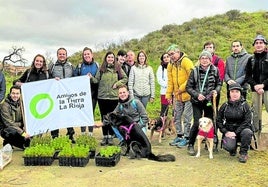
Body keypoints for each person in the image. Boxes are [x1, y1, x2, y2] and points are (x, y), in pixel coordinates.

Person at [186, 50, 222, 156]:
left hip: (209, 101)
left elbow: (219, 83)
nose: (204, 60)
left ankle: (209, 144)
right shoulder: (194, 71)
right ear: (199, 60)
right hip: (197, 101)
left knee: (210, 122)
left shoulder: (215, 70)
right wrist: (197, 95)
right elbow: (188, 87)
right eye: (202, 58)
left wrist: (216, 90)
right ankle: (191, 144)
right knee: (198, 123)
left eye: (207, 58)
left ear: (210, 60)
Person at [91, 51, 128, 146]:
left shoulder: (118, 68)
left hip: (113, 97)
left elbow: (125, 78)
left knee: (112, 117)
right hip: (102, 97)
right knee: (104, 117)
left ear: (114, 59)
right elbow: (96, 81)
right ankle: (105, 136)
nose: (110, 59)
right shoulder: (101, 69)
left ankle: (111, 136)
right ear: (106, 58)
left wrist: (117, 84)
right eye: (108, 57)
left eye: (112, 57)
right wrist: (91, 77)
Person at [165, 44, 194, 148]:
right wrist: (168, 95)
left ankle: (187, 137)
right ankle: (179, 135)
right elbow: (170, 81)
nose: (171, 56)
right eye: (169, 54)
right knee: (177, 117)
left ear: (178, 52)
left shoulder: (186, 61)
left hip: (188, 95)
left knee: (187, 117)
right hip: (177, 97)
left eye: (172, 54)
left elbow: (192, 77)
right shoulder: (170, 65)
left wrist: (180, 89)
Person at [217, 83, 253, 163]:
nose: (234, 94)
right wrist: (225, 132)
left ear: (240, 93)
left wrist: (235, 133)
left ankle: (243, 153)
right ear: (229, 93)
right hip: (229, 131)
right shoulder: (225, 106)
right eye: (232, 91)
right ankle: (232, 148)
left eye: (237, 91)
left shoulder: (245, 105)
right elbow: (218, 120)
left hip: (242, 130)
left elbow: (247, 121)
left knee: (248, 132)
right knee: (229, 147)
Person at [48, 47, 75, 143]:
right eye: (60, 54)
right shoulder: (52, 66)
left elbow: (75, 78)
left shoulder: (71, 66)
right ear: (57, 55)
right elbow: (48, 79)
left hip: (68, 95)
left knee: (68, 115)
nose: (62, 55)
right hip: (55, 95)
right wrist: (53, 79)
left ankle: (70, 135)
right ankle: (54, 136)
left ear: (66, 55)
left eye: (64, 54)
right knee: (54, 115)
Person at [73, 47, 99, 136]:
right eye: (85, 54)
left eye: (88, 54)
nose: (86, 56)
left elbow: (99, 79)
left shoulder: (97, 65)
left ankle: (90, 133)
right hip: (82, 95)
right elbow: (74, 78)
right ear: (83, 56)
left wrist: (92, 78)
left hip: (93, 94)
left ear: (92, 55)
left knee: (91, 113)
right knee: (82, 113)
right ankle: (83, 133)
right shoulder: (80, 66)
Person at [245, 34, 268, 133]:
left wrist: (263, 85)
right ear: (254, 45)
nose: (259, 45)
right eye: (256, 43)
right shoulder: (251, 59)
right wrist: (255, 86)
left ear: (265, 44)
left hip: (267, 89)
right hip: (255, 90)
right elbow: (248, 76)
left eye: (261, 43)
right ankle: (256, 136)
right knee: (255, 114)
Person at [203, 41, 225, 109]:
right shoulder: (200, 61)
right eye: (207, 47)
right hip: (202, 89)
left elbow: (221, 76)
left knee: (213, 108)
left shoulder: (219, 61)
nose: (209, 49)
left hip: (214, 88)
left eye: (210, 47)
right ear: (204, 49)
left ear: (214, 49)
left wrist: (216, 89)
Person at [156, 52, 171, 117]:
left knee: (175, 110)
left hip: (174, 92)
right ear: (162, 59)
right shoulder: (161, 68)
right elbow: (159, 79)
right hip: (164, 92)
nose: (166, 58)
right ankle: (162, 125)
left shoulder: (174, 65)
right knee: (164, 110)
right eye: (164, 57)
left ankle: (173, 125)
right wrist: (168, 85)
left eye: (167, 57)